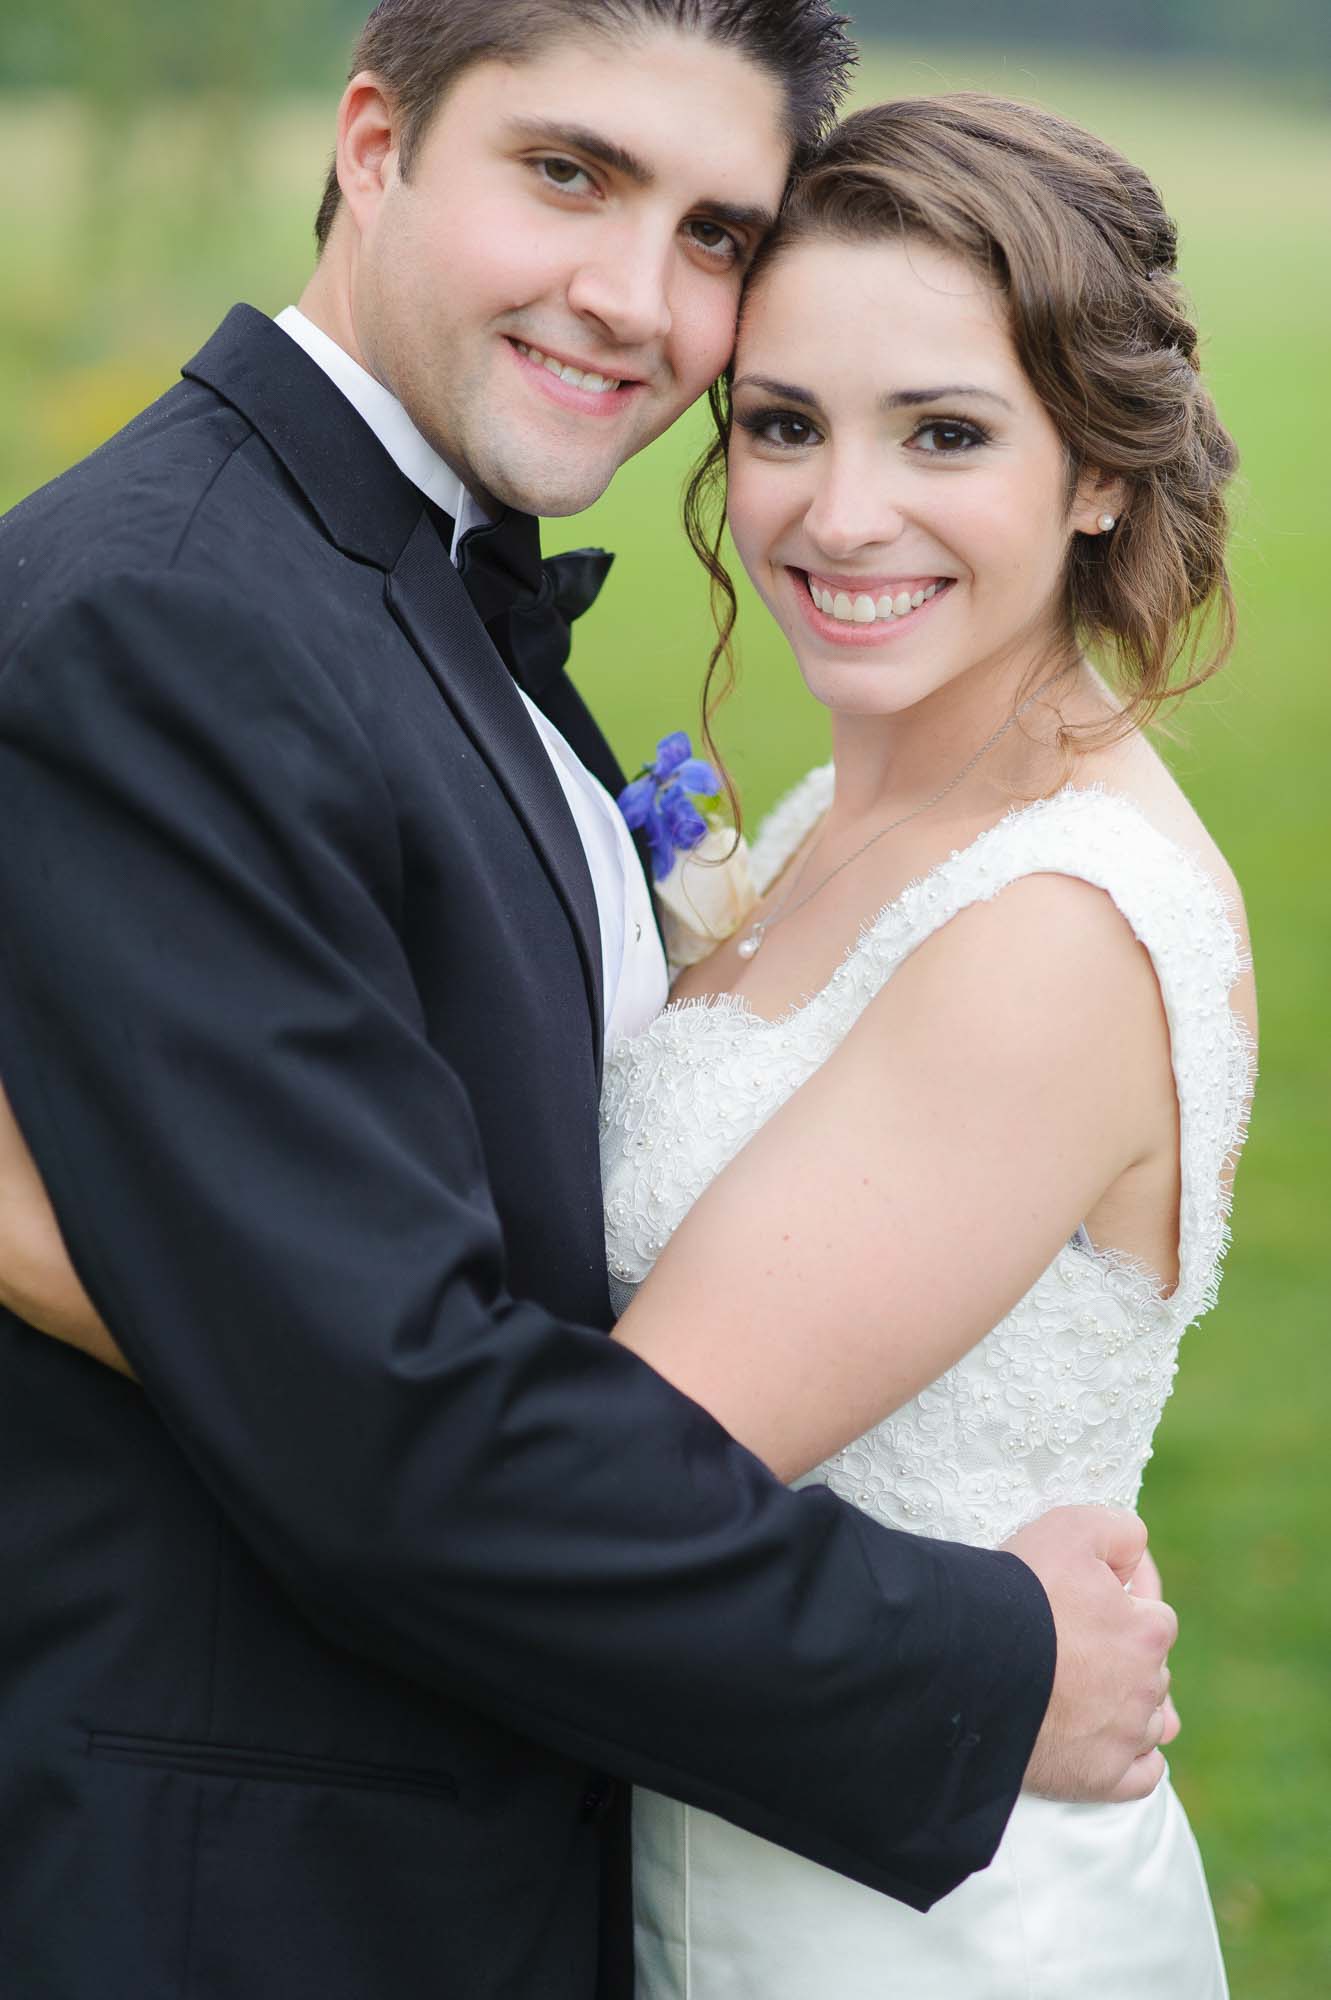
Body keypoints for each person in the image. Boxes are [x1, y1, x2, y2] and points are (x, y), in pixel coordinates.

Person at [0, 5, 1177, 1995]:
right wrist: (979, 1659)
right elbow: (395, 1430)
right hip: (259, 1897)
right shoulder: (180, 615)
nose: (632, 298)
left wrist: (96, 1251)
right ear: (373, 145)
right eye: (568, 173)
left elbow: (374, 1300)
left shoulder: (401, 576)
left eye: (716, 231)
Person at [598, 94, 1251, 1995]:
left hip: (904, 1915)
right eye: (784, 423)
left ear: (1101, 475)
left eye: (945, 433)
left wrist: (125, 1261)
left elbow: (619, 1489)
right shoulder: (837, 818)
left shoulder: (1050, 935)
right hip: (723, 1821)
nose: (835, 511)